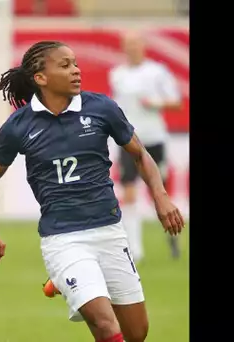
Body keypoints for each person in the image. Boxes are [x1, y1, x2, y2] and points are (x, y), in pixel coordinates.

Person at [0, 41, 184, 342]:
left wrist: (161, 197)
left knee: (136, 334)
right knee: (105, 326)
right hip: (63, 239)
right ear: (40, 78)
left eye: (75, 63)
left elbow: (139, 154)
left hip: (110, 232)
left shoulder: (102, 108)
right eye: (64, 65)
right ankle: (67, 271)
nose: (76, 70)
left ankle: (65, 279)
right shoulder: (18, 126)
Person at [108, 31, 183, 262]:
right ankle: (134, 249)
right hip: (129, 141)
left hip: (154, 140)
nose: (132, 48)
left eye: (135, 44)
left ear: (143, 46)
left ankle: (173, 237)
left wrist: (154, 103)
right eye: (128, 44)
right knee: (129, 192)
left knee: (157, 192)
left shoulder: (157, 72)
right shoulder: (117, 74)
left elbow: (177, 102)